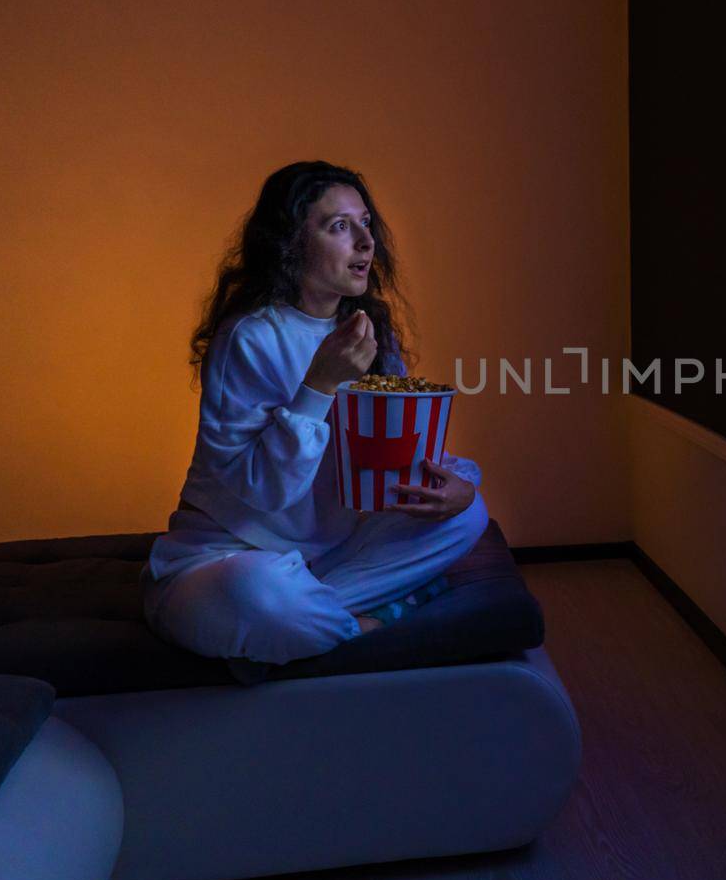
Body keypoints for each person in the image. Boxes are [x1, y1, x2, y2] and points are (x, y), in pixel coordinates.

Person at [143, 161, 488, 665]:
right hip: (230, 557)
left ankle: (320, 619)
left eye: (366, 223)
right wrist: (319, 384)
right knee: (257, 594)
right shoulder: (250, 336)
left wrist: (455, 486)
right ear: (291, 245)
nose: (366, 243)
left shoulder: (369, 331)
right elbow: (265, 492)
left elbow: (393, 453)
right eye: (340, 226)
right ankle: (365, 620)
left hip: (326, 560)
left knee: (470, 515)